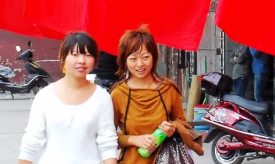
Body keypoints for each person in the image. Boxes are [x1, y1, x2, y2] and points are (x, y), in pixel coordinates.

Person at [18, 32, 118, 164]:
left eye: (88, 55)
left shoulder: (102, 97)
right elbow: (32, 141)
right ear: (63, 58)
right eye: (75, 54)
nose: (82, 60)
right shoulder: (45, 96)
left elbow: (107, 143)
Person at [111, 25, 203, 163]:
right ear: (125, 61)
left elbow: (184, 125)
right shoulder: (118, 93)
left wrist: (173, 128)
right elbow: (107, 137)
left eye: (145, 57)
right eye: (133, 58)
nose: (140, 64)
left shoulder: (168, 89)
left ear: (153, 57)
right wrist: (133, 139)